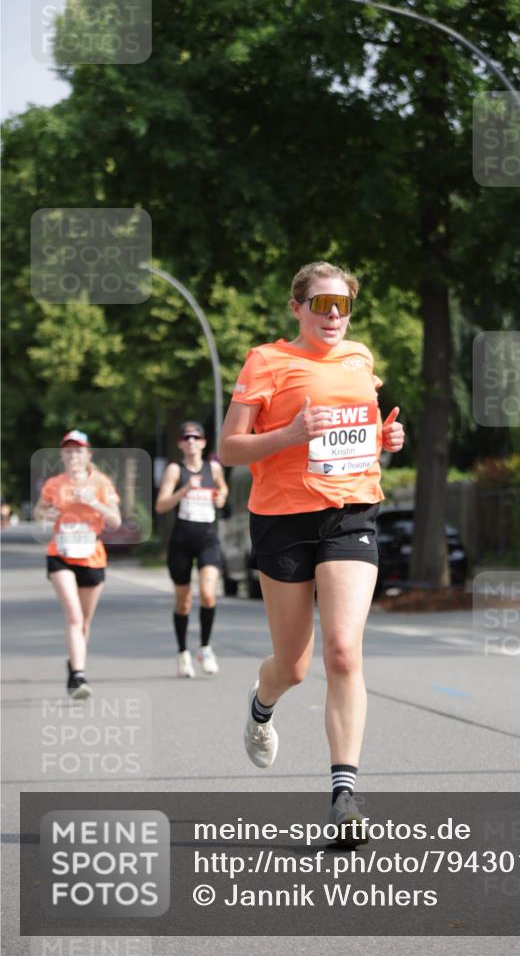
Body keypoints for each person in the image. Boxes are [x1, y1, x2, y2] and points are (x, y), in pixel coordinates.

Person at [219, 261, 404, 841]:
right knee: (293, 666)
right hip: (281, 520)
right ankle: (262, 703)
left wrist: (386, 440)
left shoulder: (361, 359)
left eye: (342, 306)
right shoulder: (266, 361)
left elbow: (358, 431)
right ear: (297, 308)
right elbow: (229, 448)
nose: (332, 317)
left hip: (351, 513)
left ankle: (344, 795)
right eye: (321, 305)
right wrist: (290, 435)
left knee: (344, 653)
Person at [34, 430, 121, 699]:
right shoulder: (54, 484)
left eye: (78, 450)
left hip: (92, 556)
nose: (73, 455)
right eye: (68, 450)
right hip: (60, 553)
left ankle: (74, 661)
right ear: (62, 455)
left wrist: (93, 501)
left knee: (83, 623)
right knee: (73, 616)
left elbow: (115, 521)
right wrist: (45, 514)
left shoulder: (101, 483)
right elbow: (39, 512)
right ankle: (78, 675)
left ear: (87, 455)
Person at [155, 421, 228, 678]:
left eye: (196, 437)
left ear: (204, 442)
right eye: (186, 438)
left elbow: (222, 487)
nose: (191, 441)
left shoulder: (213, 467)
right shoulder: (176, 470)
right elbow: (161, 505)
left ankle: (205, 648)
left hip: (208, 538)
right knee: (183, 601)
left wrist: (222, 496)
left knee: (208, 594)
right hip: (182, 541)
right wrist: (185, 489)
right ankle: (183, 652)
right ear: (180, 443)